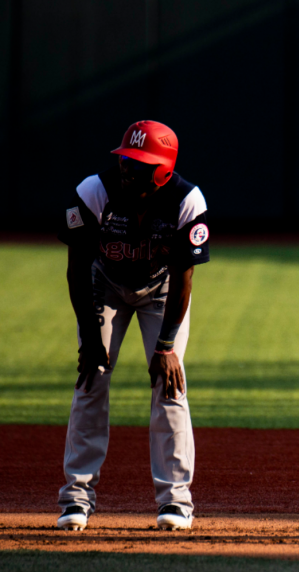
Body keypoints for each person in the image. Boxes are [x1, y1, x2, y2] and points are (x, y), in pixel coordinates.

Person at [56, 120, 210, 532]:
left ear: (162, 170)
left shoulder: (187, 201)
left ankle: (175, 502)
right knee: (91, 378)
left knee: (170, 385)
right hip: (103, 286)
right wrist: (90, 336)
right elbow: (76, 270)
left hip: (162, 293)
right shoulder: (94, 192)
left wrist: (165, 347)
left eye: (139, 163)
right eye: (125, 158)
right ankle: (76, 497)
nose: (127, 169)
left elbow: (184, 279)